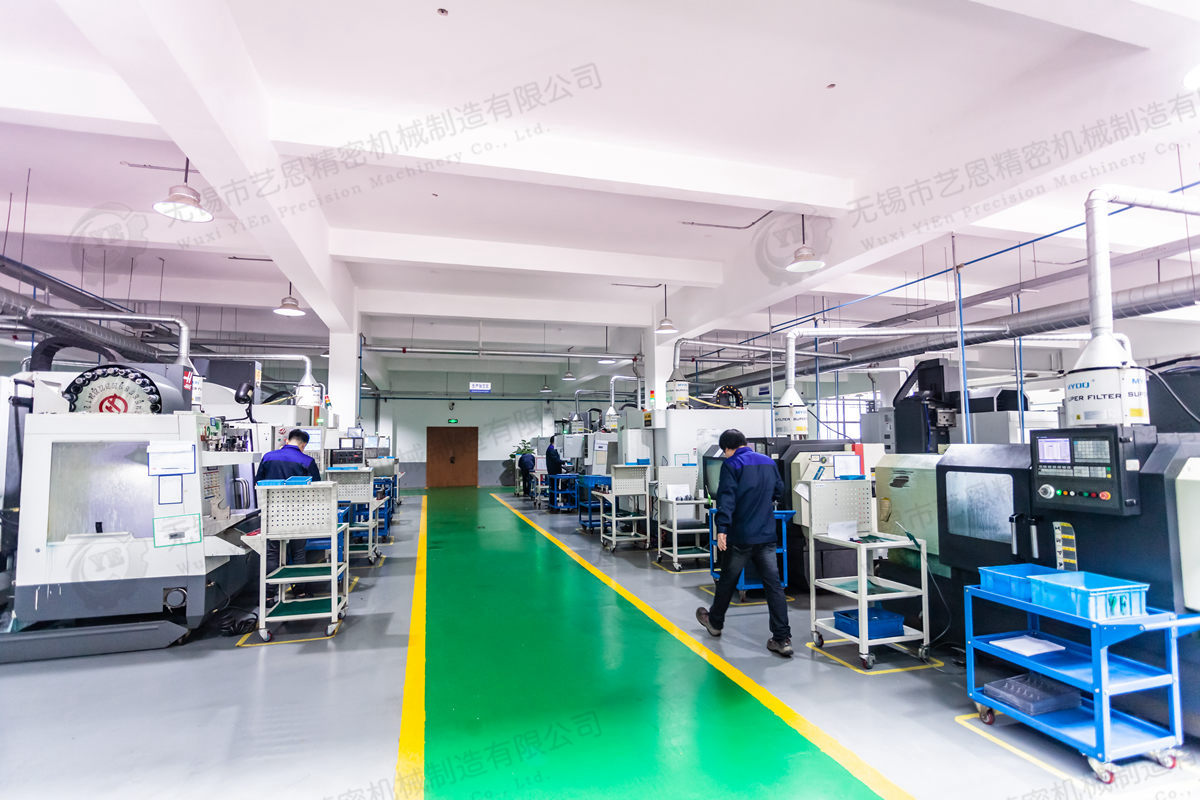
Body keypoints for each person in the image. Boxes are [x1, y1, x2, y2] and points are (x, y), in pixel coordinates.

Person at [696, 428, 793, 657]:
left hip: (741, 536)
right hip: (766, 534)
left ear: (728, 448)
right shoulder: (767, 462)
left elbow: (727, 498)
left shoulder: (732, 464)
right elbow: (779, 491)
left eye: (725, 451)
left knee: (727, 580)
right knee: (773, 586)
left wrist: (722, 529)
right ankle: (782, 639)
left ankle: (715, 623)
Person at [255, 429, 323, 587]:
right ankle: (300, 590)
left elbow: (258, 481)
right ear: (303, 445)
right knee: (298, 552)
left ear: (287, 440)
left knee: (272, 553)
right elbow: (318, 488)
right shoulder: (307, 461)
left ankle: (269, 594)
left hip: (273, 512)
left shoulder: (268, 457)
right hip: (298, 513)